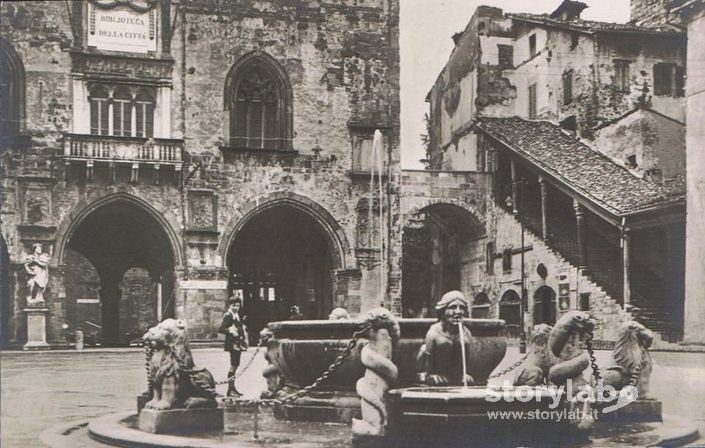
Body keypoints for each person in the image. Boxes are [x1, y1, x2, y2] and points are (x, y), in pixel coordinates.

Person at [418, 290, 475, 386]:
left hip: (456, 375)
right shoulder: (434, 331)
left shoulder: (466, 332)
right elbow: (429, 357)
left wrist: (465, 374)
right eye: (452, 307)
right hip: (434, 371)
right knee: (424, 348)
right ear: (443, 311)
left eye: (461, 308)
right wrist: (430, 375)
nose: (458, 312)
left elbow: (469, 359)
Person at [219, 297, 248, 397]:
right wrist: (231, 331)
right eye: (234, 305)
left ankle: (232, 388)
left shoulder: (236, 315)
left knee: (235, 365)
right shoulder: (228, 315)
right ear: (229, 305)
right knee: (233, 365)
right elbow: (221, 328)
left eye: (238, 305)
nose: (236, 307)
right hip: (233, 344)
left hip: (237, 343)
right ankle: (230, 390)